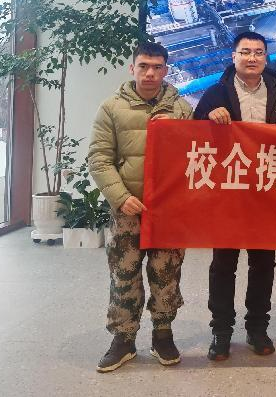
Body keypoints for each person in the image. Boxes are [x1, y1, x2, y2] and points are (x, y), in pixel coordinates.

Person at [87, 41, 193, 373]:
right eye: (144, 66)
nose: (150, 73)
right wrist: (121, 197)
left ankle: (163, 334)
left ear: (166, 70)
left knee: (166, 273)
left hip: (168, 211)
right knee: (124, 274)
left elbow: (194, 158)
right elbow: (99, 158)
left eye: (157, 67)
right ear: (132, 68)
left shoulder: (182, 109)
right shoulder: (111, 108)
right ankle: (123, 339)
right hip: (128, 210)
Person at [194, 32, 276, 361]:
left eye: (258, 53)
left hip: (267, 192)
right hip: (228, 193)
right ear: (233, 56)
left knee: (263, 263)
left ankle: (257, 328)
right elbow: (191, 135)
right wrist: (207, 117)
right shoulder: (216, 92)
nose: (252, 58)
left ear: (266, 57)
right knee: (224, 264)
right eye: (245, 52)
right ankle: (221, 331)